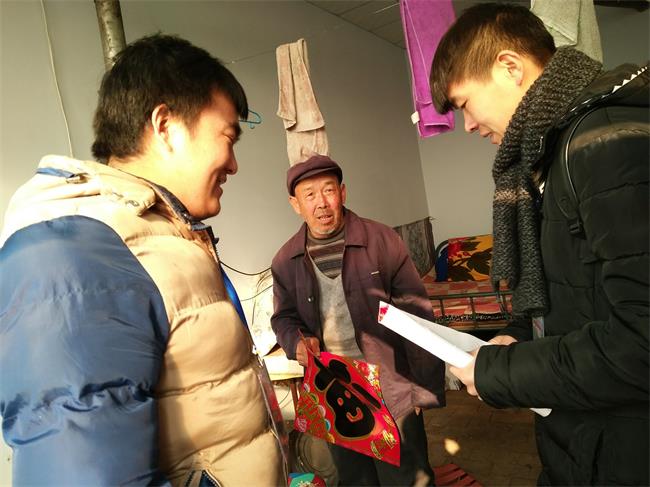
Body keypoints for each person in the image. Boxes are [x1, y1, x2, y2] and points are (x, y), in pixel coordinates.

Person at [0, 34, 283, 486]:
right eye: (228, 137)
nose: (233, 164)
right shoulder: (77, 252)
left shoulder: (159, 235)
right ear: (165, 125)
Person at [429, 3, 649, 485]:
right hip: (584, 440)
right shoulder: (550, 155)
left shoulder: (604, 143)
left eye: (464, 104)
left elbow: (642, 342)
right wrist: (520, 336)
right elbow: (576, 294)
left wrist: (500, 372)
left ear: (510, 67)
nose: (467, 125)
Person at [271, 155, 445, 486]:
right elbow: (283, 317)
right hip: (333, 387)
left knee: (409, 478)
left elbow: (416, 311)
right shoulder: (285, 260)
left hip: (390, 382)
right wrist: (296, 342)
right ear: (295, 204)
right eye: (309, 195)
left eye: (328, 190)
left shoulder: (381, 240)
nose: (321, 203)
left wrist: (422, 388)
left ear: (343, 193)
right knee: (354, 479)